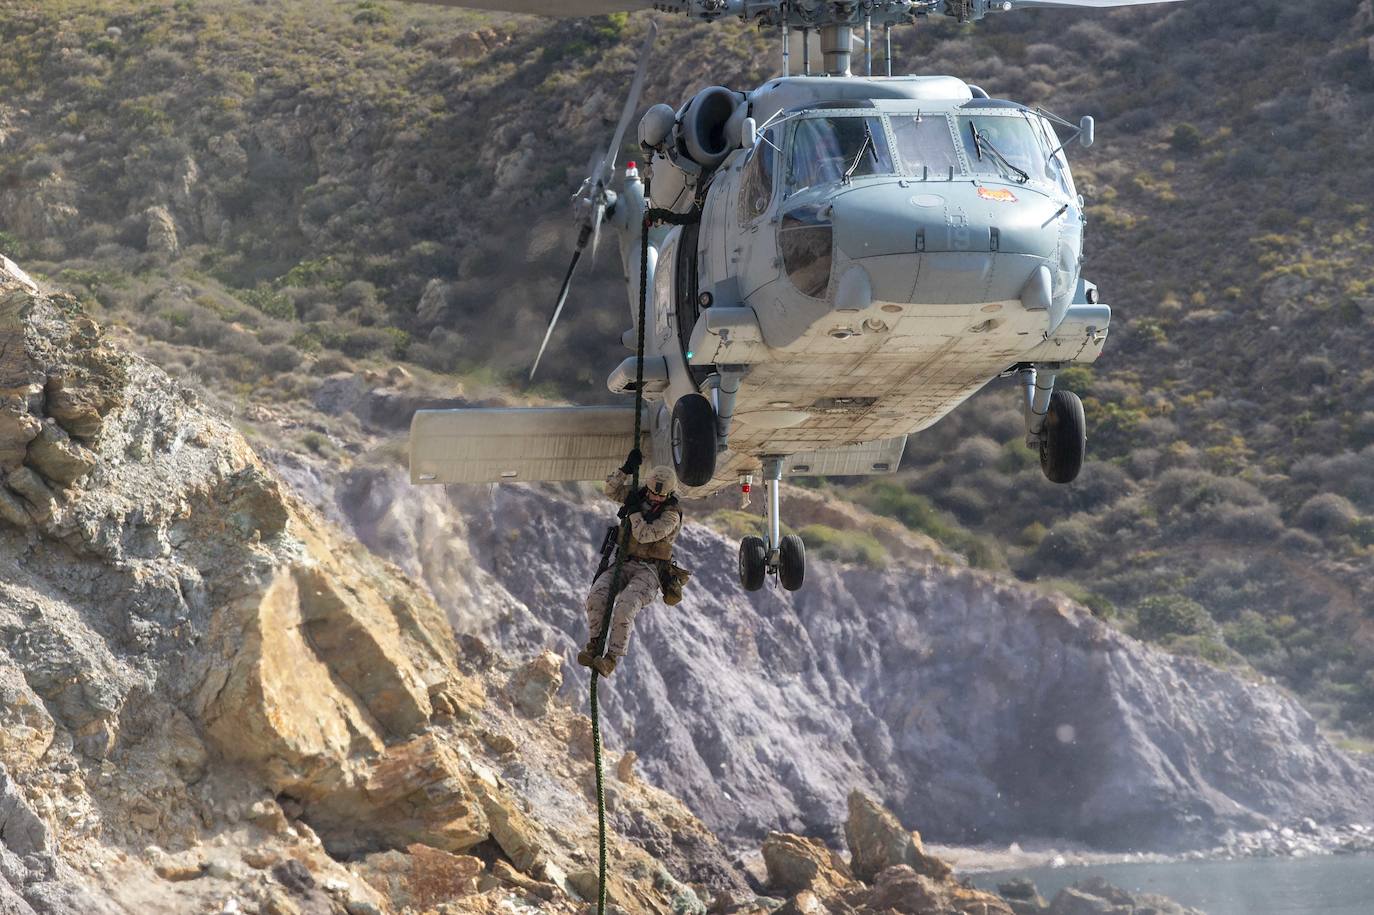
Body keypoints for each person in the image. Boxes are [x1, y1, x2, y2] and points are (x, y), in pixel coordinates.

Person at [578, 449, 682, 677]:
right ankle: (594, 644)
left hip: (649, 571)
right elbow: (611, 490)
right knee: (596, 596)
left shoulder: (671, 516)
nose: (655, 498)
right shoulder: (638, 495)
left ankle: (611, 659)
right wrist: (625, 470)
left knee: (626, 606)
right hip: (624, 562)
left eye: (660, 496)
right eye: (652, 494)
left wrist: (634, 511)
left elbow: (644, 535)